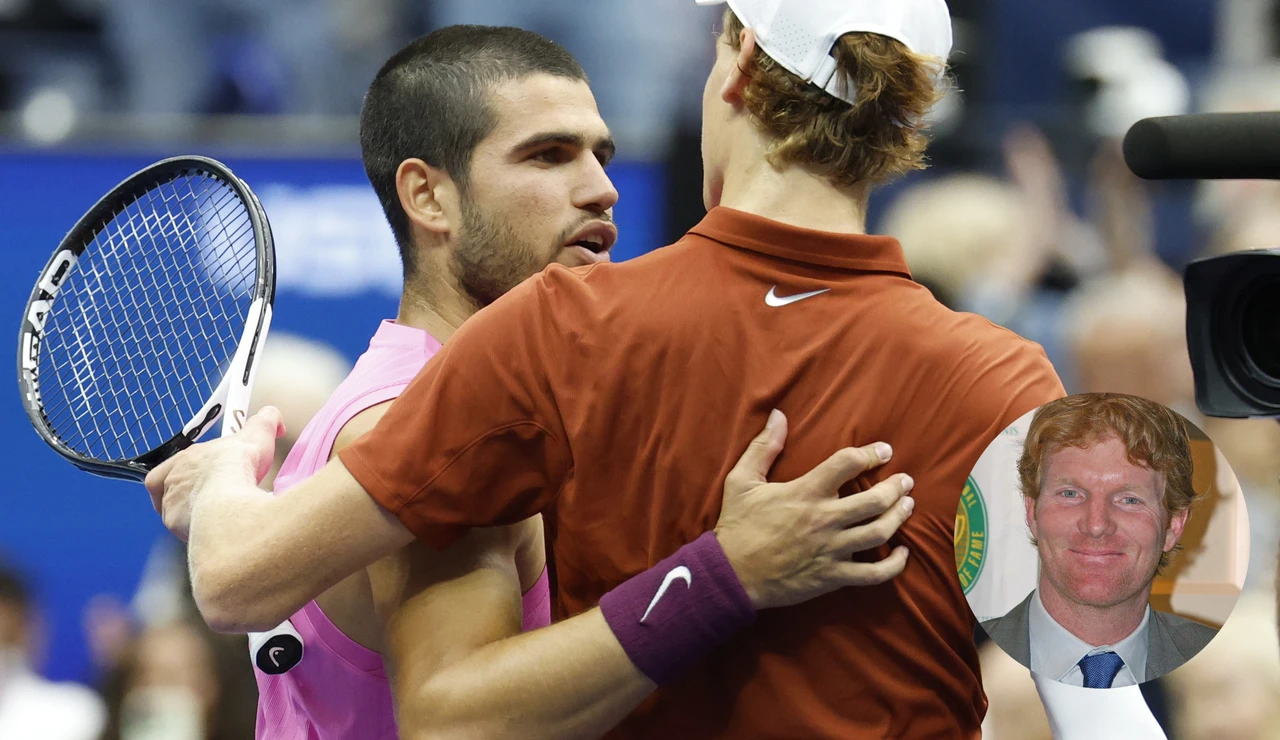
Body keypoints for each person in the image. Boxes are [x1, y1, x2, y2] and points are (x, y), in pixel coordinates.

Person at [150, 1, 1065, 736]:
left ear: (739, 65)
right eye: (548, 157)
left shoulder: (546, 340)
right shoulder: (1004, 376)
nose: (602, 187)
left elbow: (240, 574)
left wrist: (227, 485)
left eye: (602, 153)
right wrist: (722, 573)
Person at [981, 393, 1219, 687]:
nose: (1096, 525)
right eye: (1071, 494)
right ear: (1031, 511)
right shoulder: (967, 660)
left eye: (1129, 500)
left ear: (1173, 525)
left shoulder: (1213, 673)